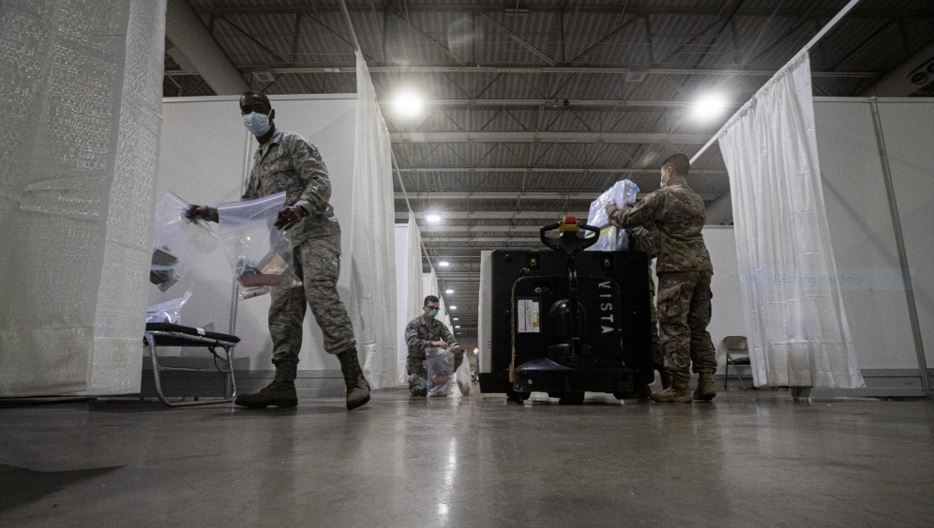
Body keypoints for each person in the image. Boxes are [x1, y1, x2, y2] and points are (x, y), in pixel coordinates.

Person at [186, 90, 370, 411]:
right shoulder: (258, 162)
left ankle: (354, 378)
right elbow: (249, 208)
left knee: (320, 294)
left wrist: (299, 208)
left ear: (272, 114)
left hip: (316, 233)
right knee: (282, 309)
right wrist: (210, 213)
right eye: (246, 110)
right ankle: (283, 385)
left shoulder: (293, 143)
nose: (252, 115)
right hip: (282, 245)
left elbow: (320, 182)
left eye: (258, 109)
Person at [607, 153, 716, 403]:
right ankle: (707, 380)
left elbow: (627, 219)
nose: (661, 178)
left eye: (661, 173)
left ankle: (679, 387)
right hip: (702, 266)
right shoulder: (696, 199)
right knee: (698, 326)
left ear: (668, 171)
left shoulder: (663, 196)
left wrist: (612, 209)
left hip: (676, 269)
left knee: (673, 326)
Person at [405, 295, 465, 397]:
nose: (434, 311)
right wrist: (433, 343)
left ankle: (442, 379)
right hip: (418, 362)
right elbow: (412, 343)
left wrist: (454, 345)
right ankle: (416, 379)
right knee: (422, 389)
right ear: (424, 308)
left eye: (437, 309)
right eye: (431, 308)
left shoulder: (439, 325)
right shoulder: (414, 324)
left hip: (434, 362)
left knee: (459, 354)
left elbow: (448, 337)